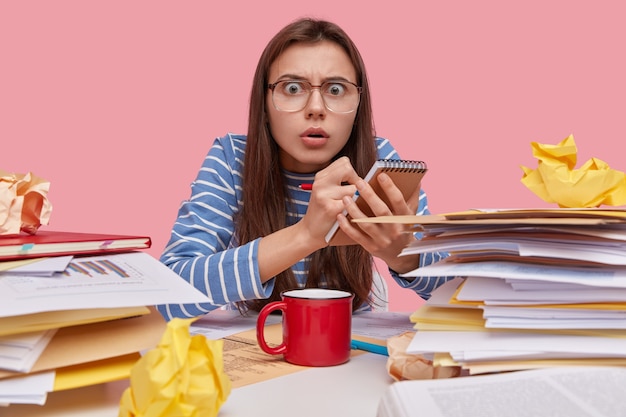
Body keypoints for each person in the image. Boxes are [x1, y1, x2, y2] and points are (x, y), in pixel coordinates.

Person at [158, 17, 451, 320]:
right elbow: (167, 293)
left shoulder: (379, 163)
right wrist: (306, 235)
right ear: (265, 102)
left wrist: (403, 257)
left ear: (359, 106)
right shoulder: (232, 159)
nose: (316, 107)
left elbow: (459, 292)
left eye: (336, 90)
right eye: (293, 87)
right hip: (254, 351)